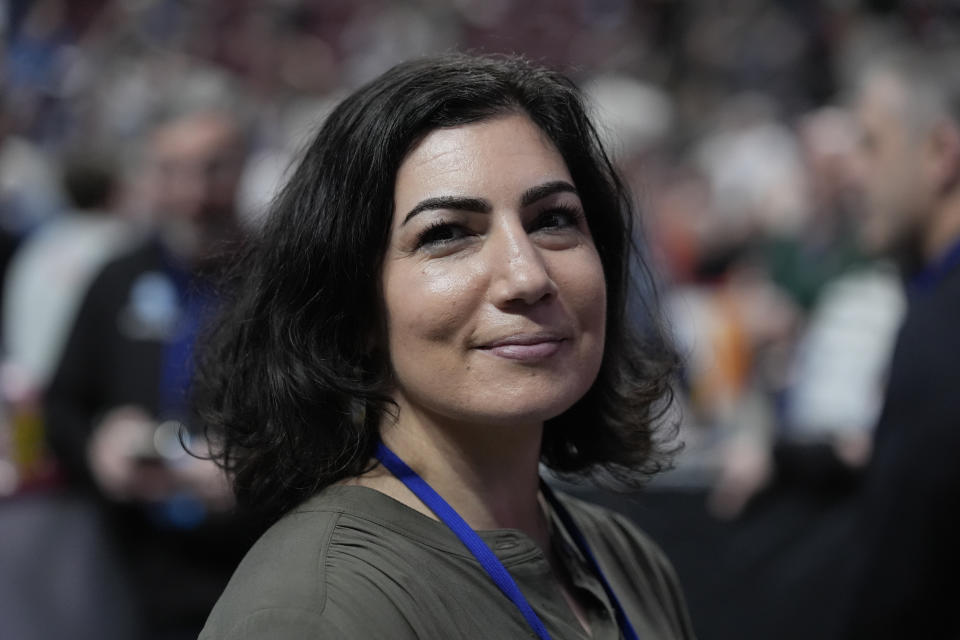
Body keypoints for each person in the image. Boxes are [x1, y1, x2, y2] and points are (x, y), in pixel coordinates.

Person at [194, 53, 695, 639]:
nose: (527, 275)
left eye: (553, 219)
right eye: (448, 233)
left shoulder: (628, 562)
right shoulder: (313, 608)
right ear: (353, 310)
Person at [44, 106, 256, 639]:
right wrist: (96, 446)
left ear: (243, 168)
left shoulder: (284, 284)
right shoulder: (116, 279)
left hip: (255, 562)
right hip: (130, 567)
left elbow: (343, 415)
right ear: (146, 175)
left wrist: (257, 468)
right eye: (171, 170)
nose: (192, 193)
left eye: (213, 169)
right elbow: (60, 404)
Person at [839, 45, 960, 639]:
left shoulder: (942, 330)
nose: (851, 170)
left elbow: (896, 595)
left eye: (870, 143)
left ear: (940, 151)